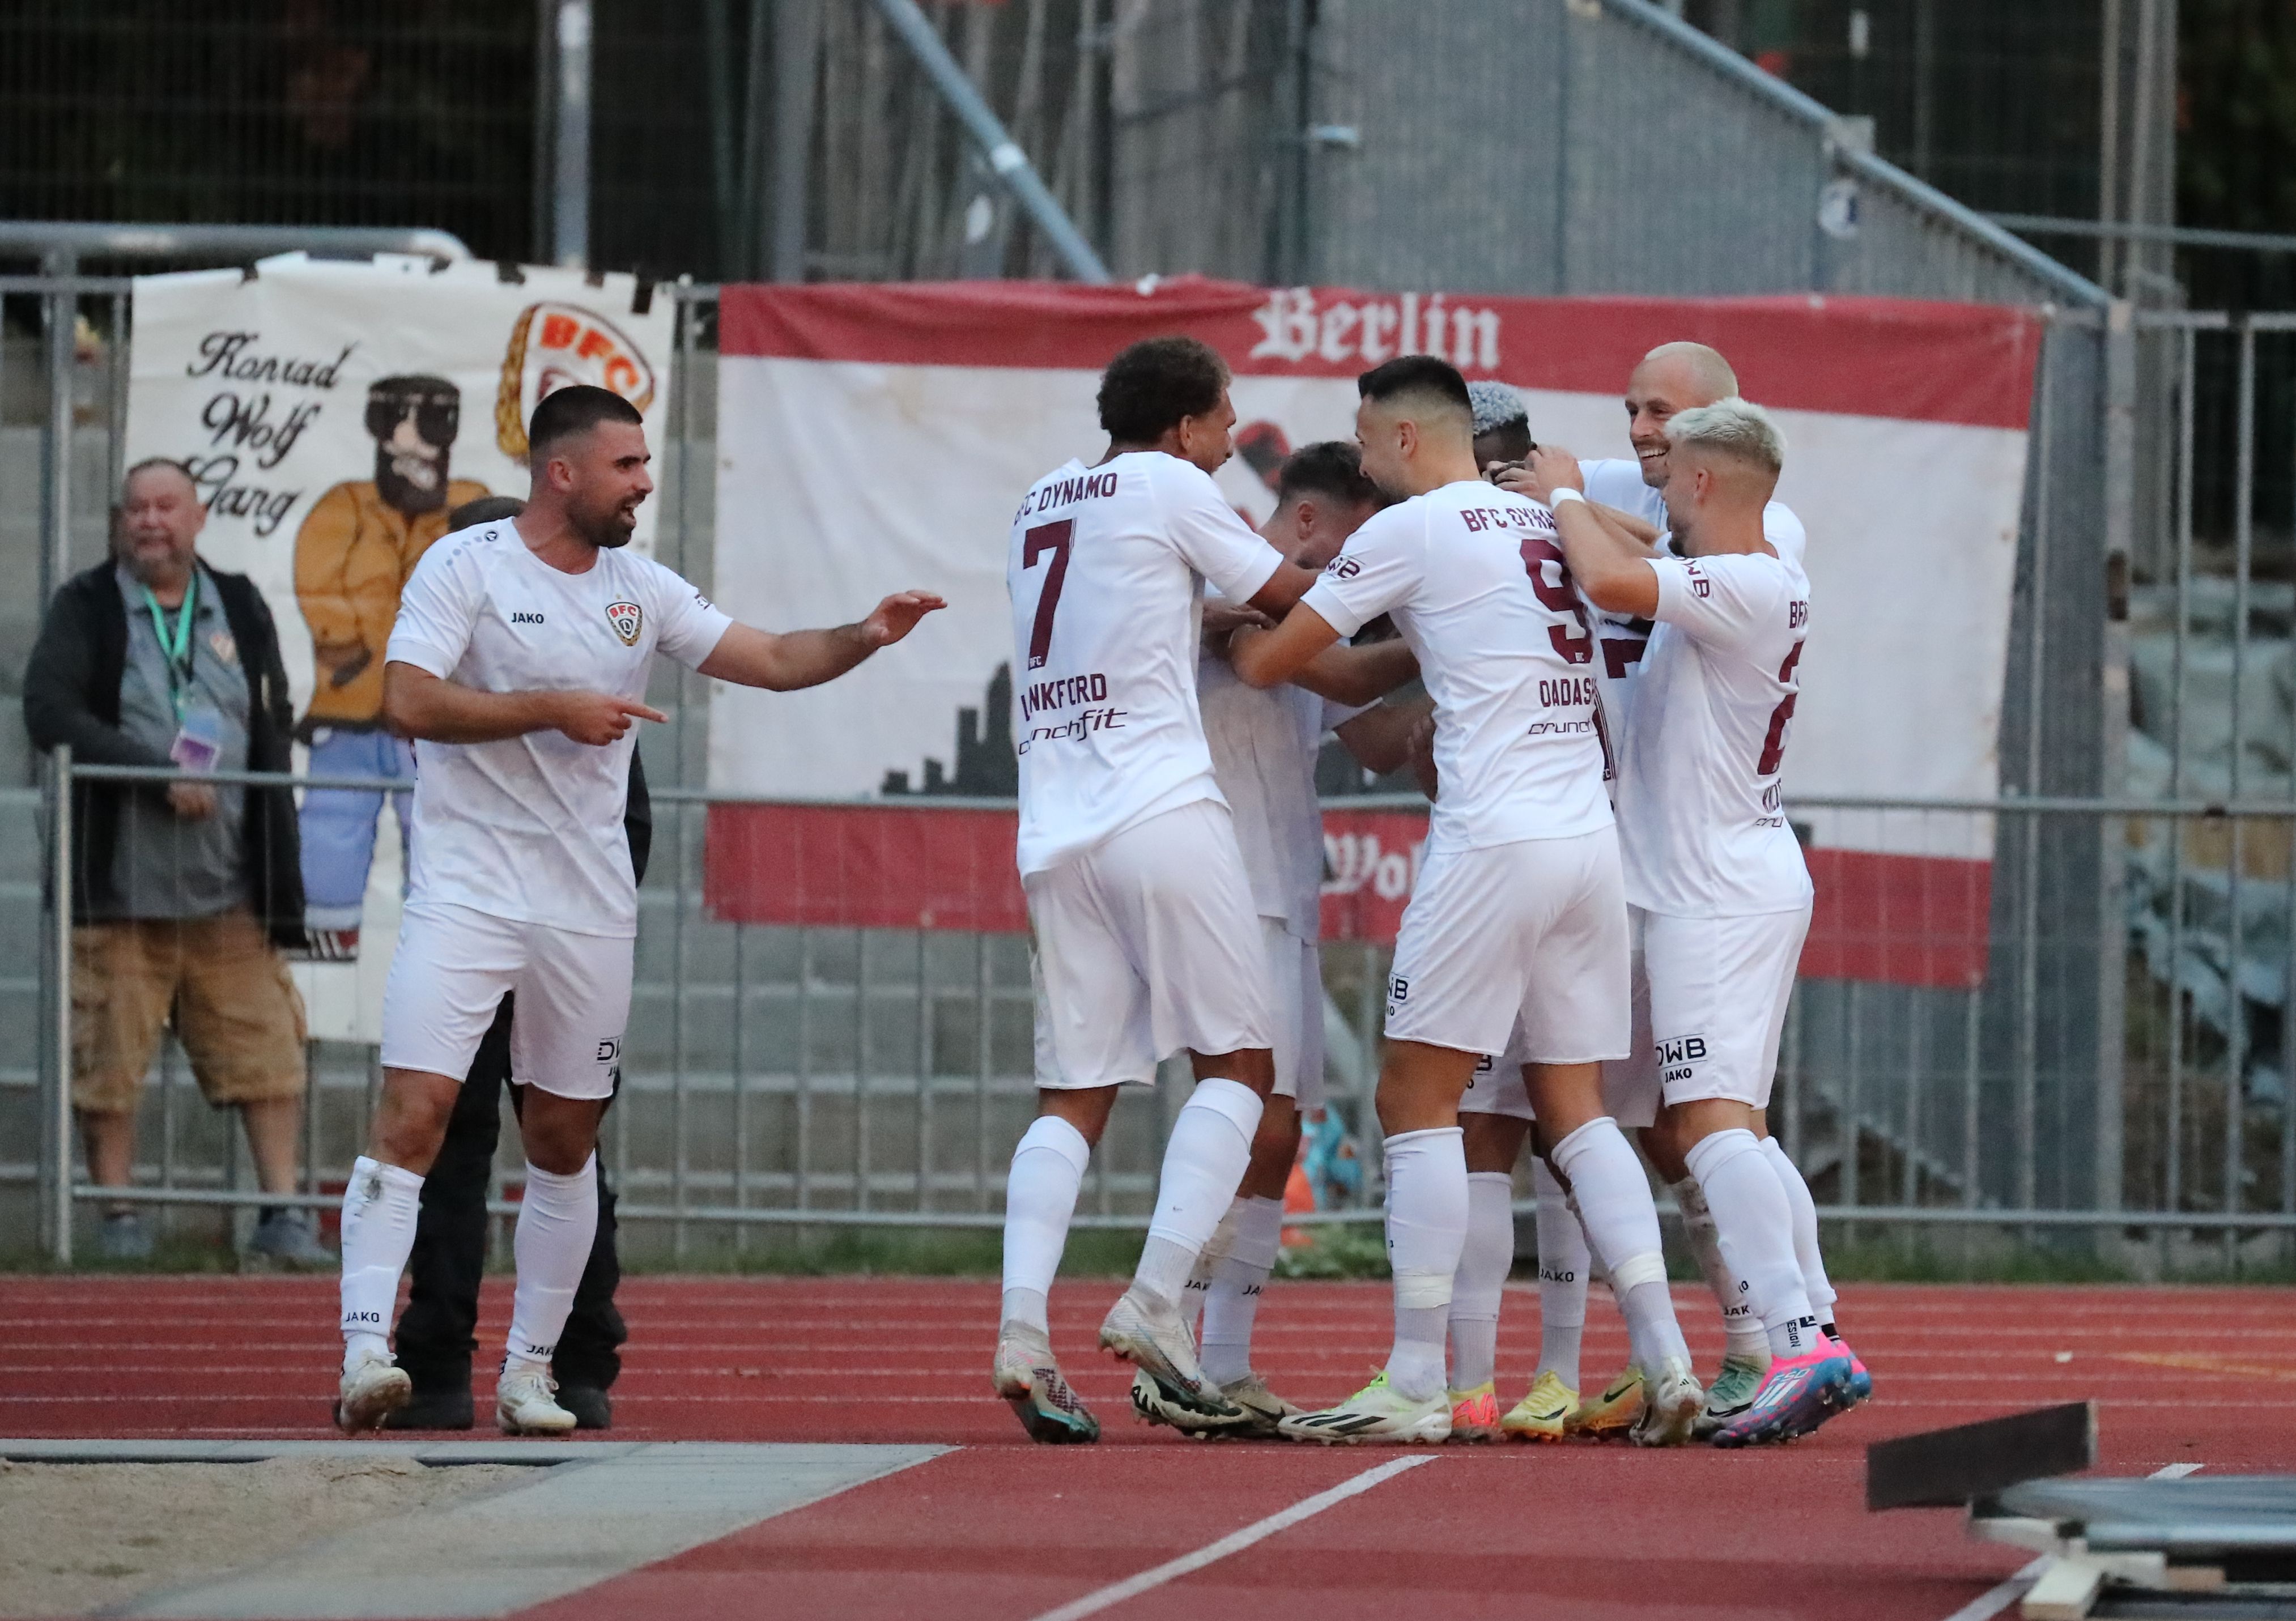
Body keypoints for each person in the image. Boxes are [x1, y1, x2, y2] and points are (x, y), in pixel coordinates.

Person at [333, 384, 944, 1434]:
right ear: (561, 472)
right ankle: (363, 1354)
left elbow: (771, 658)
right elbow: (408, 699)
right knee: (419, 1114)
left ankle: (532, 1369)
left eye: (646, 465)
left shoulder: (639, 587)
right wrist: (551, 709)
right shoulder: (464, 566)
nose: (645, 483)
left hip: (587, 904)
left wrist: (866, 634)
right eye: (627, 466)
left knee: (564, 1140)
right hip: (468, 892)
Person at [1232, 354, 1702, 1446]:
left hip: (1491, 837)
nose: (1355, 456)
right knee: (1574, 1109)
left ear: (1404, 441)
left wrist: (1234, 632)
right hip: (1588, 837)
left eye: (1361, 436)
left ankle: (1414, 1374)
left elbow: (1292, 667)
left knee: (1413, 1097)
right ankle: (1665, 1355)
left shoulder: (1409, 529)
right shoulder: (1540, 519)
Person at [992, 335, 1337, 1445]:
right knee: (1242, 1061)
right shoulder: (1173, 484)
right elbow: (1286, 591)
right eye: (1224, 417)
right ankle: (1153, 1300)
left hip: (1053, 821)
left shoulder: (1042, 494)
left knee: (1074, 1094)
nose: (1231, 435)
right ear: (1185, 425)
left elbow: (1138, 606)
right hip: (1157, 804)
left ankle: (1019, 1332)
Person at [1498, 342, 1838, 1441]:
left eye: (1663, 425)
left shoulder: (1748, 570)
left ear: (1706, 475)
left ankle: (1795, 1336)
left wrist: (1555, 493)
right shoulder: (1723, 560)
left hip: (1716, 883)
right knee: (1700, 1120)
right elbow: (1638, 543)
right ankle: (1804, 1326)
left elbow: (1609, 573)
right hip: (1689, 874)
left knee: (1710, 1121)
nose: (1641, 440)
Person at [1128, 441, 1427, 1436]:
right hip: (1223, 886)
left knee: (1279, 1125)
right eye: (1354, 542)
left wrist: (1461, 678)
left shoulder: (1305, 616)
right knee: (1246, 1107)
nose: (1364, 569)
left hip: (1282, 891)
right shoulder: (1215, 590)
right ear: (1306, 525)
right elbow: (1301, 656)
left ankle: (1219, 1361)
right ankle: (1159, 1311)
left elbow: (1370, 730)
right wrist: (1450, 634)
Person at [24, 458, 328, 1266]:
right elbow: (48, 710)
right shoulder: (86, 606)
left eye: (166, 507)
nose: (150, 522)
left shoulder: (238, 601)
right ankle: (118, 1216)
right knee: (109, 1064)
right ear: (120, 523)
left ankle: (281, 1211)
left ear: (197, 517)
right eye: (136, 510)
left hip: (229, 892)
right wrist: (157, 773)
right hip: (119, 895)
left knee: (268, 1054)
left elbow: (270, 711)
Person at [381, 494, 637, 1433]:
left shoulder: (590, 704)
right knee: (441, 1140)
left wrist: (577, 941)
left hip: (567, 945)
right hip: (469, 930)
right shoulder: (454, 693)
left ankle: (575, 1357)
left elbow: (625, 829)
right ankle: (432, 1357)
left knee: (565, 1151)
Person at [293, 375, 492, 958]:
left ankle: (434, 955)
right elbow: (313, 580)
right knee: (330, 826)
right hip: (351, 707)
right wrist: (348, 647)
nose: (412, 438)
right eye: (396, 420)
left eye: (431, 422)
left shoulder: (470, 501)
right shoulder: (344, 503)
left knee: (438, 833)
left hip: (437, 715)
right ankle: (324, 954)